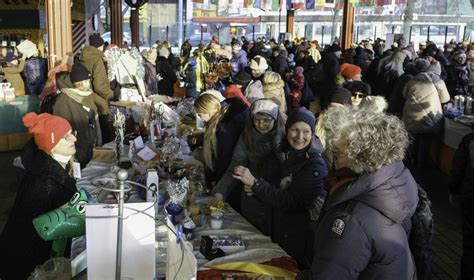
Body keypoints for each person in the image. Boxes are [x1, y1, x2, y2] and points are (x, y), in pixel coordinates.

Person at [297, 109, 418, 279]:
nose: (333, 150)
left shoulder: (350, 217)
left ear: (362, 155)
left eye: (339, 150)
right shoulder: (391, 186)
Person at [232, 107, 328, 268]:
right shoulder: (281, 152)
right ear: (287, 130)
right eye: (295, 130)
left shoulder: (315, 164)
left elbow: (293, 202)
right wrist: (255, 191)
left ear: (312, 134)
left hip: (298, 238)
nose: (300, 136)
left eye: (306, 132)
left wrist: (256, 184)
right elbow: (273, 186)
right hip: (276, 229)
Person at [0, 113, 78, 279]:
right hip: (27, 265)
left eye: (72, 133)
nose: (74, 139)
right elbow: (31, 237)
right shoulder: (43, 182)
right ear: (51, 145)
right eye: (66, 137)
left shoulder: (51, 168)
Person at [212, 99, 285, 231]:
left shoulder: (284, 139)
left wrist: (259, 185)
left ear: (275, 120)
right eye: (257, 120)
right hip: (251, 202)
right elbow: (235, 167)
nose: (261, 124)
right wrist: (220, 193)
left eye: (266, 120)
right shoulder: (247, 137)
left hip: (275, 203)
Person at [194, 94, 249, 188]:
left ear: (208, 112)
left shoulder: (224, 129)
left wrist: (217, 183)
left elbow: (224, 158)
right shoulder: (220, 120)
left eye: (200, 115)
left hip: (230, 179)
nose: (199, 118)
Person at [52, 62, 99, 169]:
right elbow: (61, 129)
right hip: (75, 150)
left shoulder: (87, 95)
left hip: (88, 147)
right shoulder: (63, 100)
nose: (88, 85)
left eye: (88, 81)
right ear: (76, 83)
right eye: (84, 82)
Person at [79, 34, 114, 143]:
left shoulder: (82, 58)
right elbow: (100, 86)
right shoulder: (97, 61)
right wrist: (111, 94)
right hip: (99, 102)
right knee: (106, 136)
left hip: (87, 99)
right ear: (100, 46)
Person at [449, 132, 474, 280]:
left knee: (470, 243)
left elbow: (457, 170)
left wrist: (454, 191)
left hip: (471, 199)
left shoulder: (469, 140)